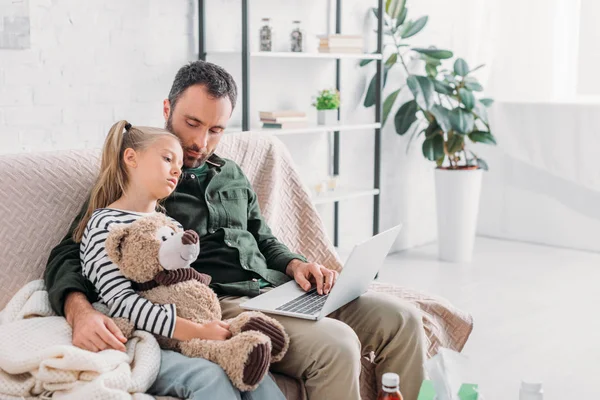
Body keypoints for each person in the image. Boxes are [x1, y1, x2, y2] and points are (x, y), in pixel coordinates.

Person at [44, 60, 426, 400]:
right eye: (192, 123)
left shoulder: (231, 173)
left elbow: (264, 238)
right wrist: (79, 311)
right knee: (337, 344)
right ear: (167, 108)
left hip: (280, 289)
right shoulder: (145, 177)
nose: (200, 141)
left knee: (403, 318)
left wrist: (296, 265)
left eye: (215, 129)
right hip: (225, 303)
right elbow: (71, 250)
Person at [72, 120, 285, 399]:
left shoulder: (171, 225)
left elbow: (184, 287)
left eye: (180, 163)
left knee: (257, 376)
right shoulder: (107, 224)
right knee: (211, 377)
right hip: (143, 337)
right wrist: (196, 330)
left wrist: (207, 324)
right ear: (131, 158)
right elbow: (121, 303)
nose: (177, 169)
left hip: (185, 331)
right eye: (167, 159)